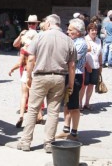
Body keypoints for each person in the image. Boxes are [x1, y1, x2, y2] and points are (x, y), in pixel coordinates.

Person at [17, 14, 76, 153]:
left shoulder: (40, 36)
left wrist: (29, 76)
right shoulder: (68, 40)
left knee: (32, 109)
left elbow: (31, 59)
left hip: (41, 76)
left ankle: (26, 141)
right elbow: (72, 65)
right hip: (59, 77)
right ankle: (49, 143)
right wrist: (71, 84)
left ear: (49, 24)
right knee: (53, 111)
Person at [55, 18, 88, 142]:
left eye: (70, 30)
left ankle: (74, 133)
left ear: (78, 32)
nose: (67, 31)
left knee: (74, 106)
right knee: (67, 104)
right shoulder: (71, 41)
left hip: (75, 76)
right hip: (67, 74)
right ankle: (65, 130)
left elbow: (72, 60)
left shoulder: (81, 43)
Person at [9, 29, 44, 128]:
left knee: (24, 95)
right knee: (37, 94)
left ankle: (21, 115)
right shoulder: (39, 48)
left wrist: (12, 69)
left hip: (25, 72)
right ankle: (39, 115)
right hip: (36, 72)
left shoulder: (24, 49)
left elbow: (20, 63)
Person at [80, 23, 102, 111]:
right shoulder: (85, 39)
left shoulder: (99, 40)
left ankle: (87, 103)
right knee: (83, 86)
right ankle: (79, 103)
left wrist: (100, 65)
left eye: (96, 30)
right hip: (86, 66)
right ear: (88, 31)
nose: (94, 32)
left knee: (91, 85)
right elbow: (82, 55)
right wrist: (86, 65)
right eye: (92, 30)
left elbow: (100, 53)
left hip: (95, 65)